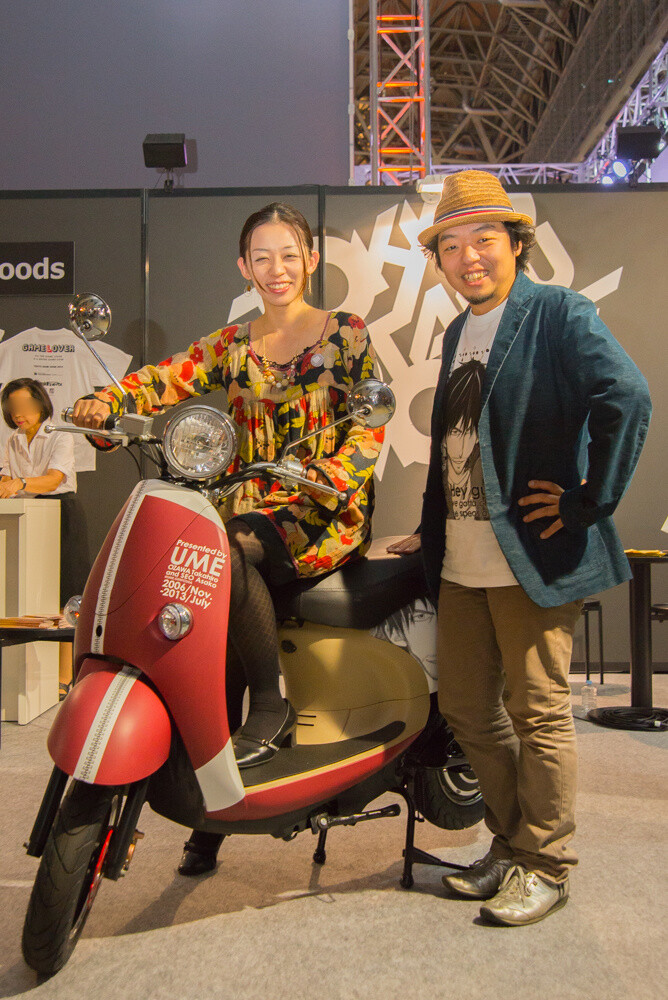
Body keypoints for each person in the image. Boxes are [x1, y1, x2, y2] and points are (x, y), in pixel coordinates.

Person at [72, 201, 385, 874]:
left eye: (289, 254)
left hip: (321, 509)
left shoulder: (346, 333)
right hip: (246, 503)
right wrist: (108, 402)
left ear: (312, 259)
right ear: (244, 266)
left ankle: (269, 708)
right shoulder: (233, 344)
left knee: (228, 551)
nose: (277, 268)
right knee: (204, 598)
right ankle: (213, 802)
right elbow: (164, 378)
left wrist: (331, 474)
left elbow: (370, 423)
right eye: (262, 257)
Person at [389, 170, 651, 926]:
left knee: (536, 711)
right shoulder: (457, 333)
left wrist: (589, 498)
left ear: (515, 243)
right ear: (439, 258)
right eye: (451, 245)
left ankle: (548, 863)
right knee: (468, 709)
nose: (468, 256)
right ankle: (511, 844)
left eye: (484, 239)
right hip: (462, 558)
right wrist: (433, 524)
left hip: (530, 555)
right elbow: (460, 444)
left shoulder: (557, 312)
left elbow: (627, 396)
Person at [1, 377, 89, 695]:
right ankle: (31, 676)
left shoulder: (59, 433)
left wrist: (20, 483)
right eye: (12, 407)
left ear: (40, 404)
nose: (18, 413)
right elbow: (5, 479)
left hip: (62, 511)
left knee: (64, 593)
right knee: (32, 593)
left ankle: (66, 676)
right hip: (29, 516)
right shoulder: (12, 440)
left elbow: (53, 480)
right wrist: (10, 484)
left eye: (24, 405)